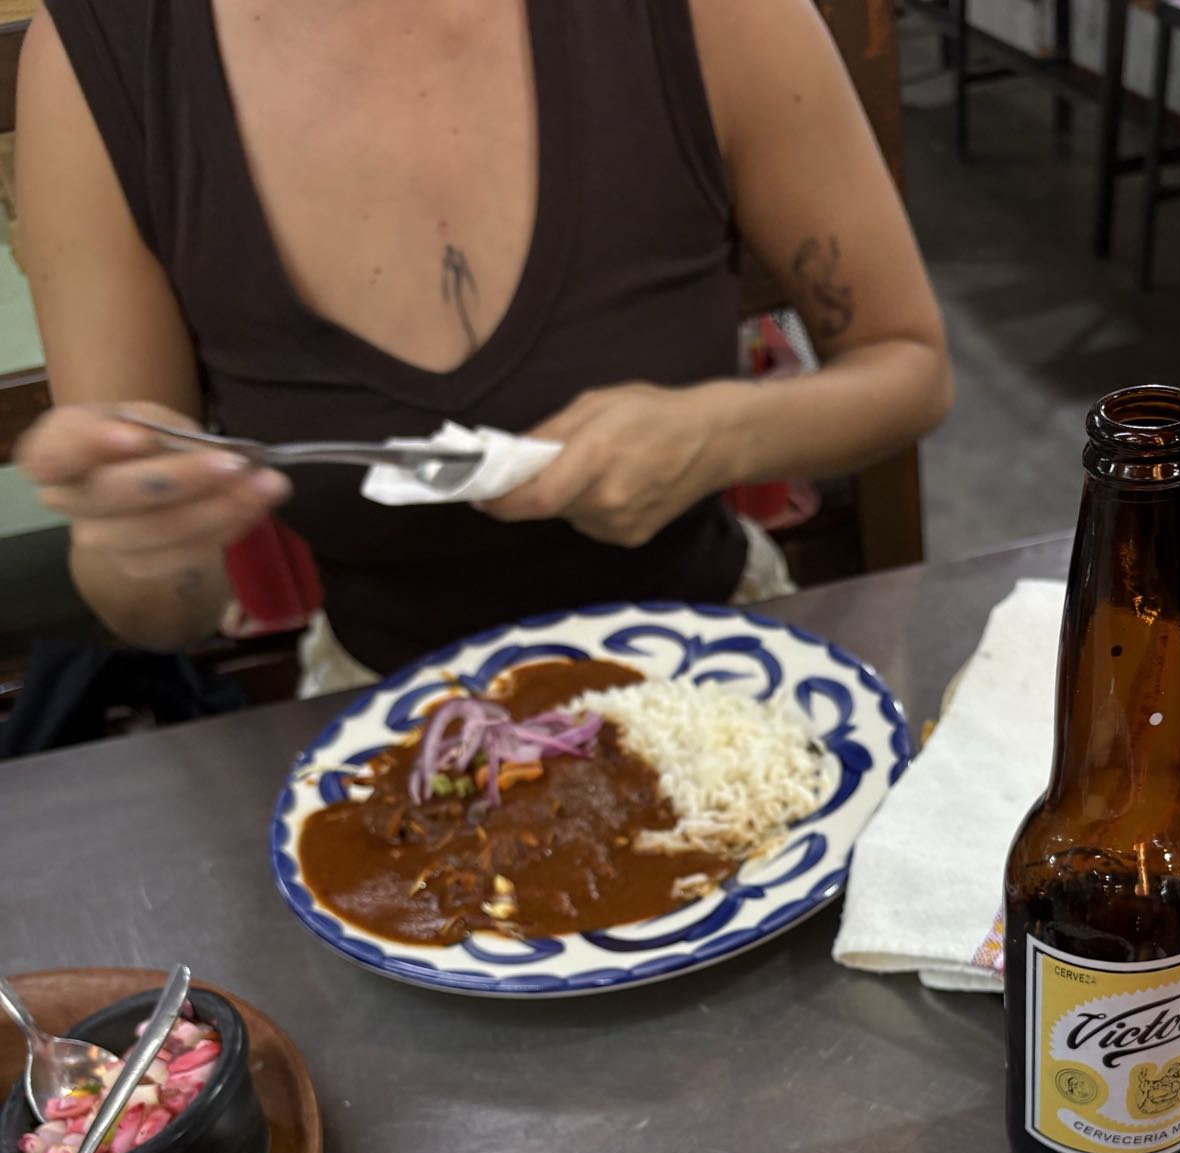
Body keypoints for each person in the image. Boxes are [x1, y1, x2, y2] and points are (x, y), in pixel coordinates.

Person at [14, 0, 952, 681]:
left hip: (721, 657)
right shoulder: (109, 51)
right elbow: (158, 611)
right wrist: (143, 544)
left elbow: (909, 366)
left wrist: (726, 433)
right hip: (376, 715)